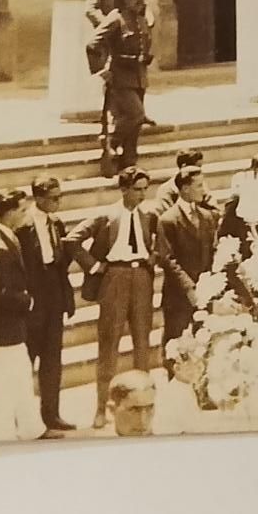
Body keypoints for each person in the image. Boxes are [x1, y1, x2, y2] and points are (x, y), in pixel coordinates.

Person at [63, 166, 161, 430]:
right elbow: (71, 240)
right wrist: (95, 266)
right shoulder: (106, 215)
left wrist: (152, 258)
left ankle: (143, 405)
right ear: (124, 189)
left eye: (145, 189)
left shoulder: (150, 215)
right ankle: (101, 407)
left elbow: (162, 244)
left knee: (142, 342)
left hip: (141, 277)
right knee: (109, 344)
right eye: (137, 189)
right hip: (114, 278)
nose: (142, 195)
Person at [0, 190, 55, 441]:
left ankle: (29, 428)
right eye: (22, 210)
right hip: (5, 327)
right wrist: (28, 301)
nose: (26, 215)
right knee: (7, 381)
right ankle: (3, 431)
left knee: (17, 378)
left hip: (6, 328)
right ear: (9, 213)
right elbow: (2, 293)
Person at [17, 176, 76, 431]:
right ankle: (23, 416)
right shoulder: (22, 226)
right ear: (38, 198)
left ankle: (51, 414)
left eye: (60, 197)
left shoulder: (57, 223)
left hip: (54, 296)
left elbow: (61, 266)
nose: (58, 202)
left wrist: (66, 298)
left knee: (53, 359)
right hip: (33, 297)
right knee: (27, 359)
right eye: (54, 198)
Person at [87, 0, 154, 171]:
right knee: (136, 114)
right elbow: (92, 44)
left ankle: (129, 161)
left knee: (135, 125)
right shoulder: (116, 18)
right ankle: (111, 141)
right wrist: (100, 70)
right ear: (125, 0)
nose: (139, 1)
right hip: (120, 76)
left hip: (140, 75)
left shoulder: (141, 20)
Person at [157, 167, 220, 363]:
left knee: (204, 346)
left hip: (206, 293)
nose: (204, 190)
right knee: (177, 348)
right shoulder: (168, 220)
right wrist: (189, 288)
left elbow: (212, 252)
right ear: (184, 189)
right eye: (199, 185)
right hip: (179, 296)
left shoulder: (207, 217)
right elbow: (167, 258)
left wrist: (211, 284)